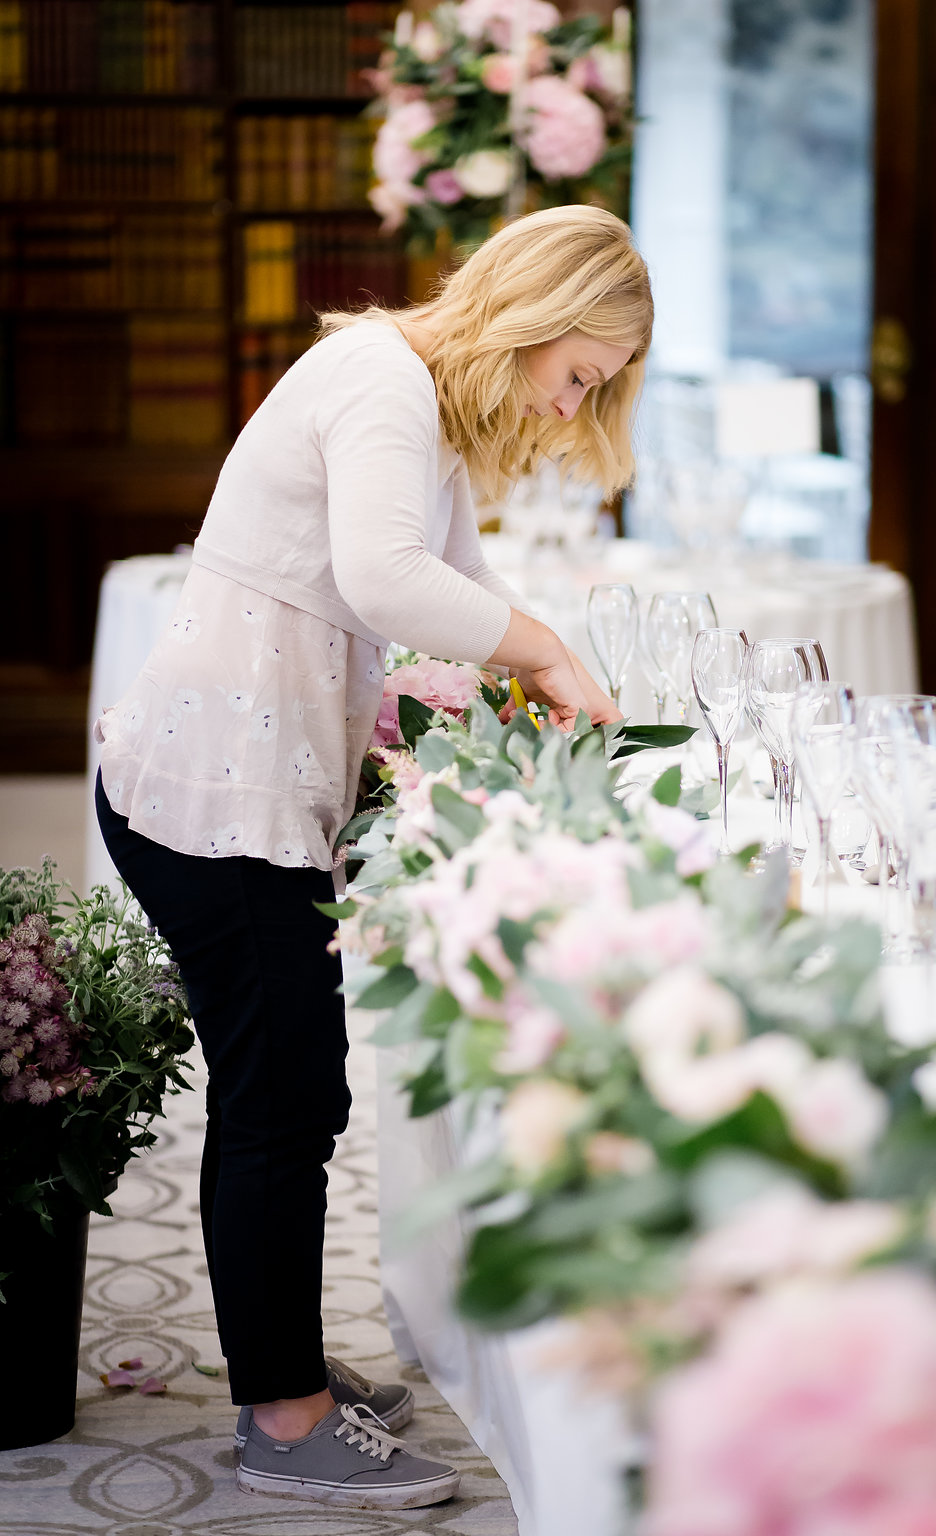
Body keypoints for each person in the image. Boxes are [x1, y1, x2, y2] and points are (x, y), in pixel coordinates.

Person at [94, 203, 653, 1510]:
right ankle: (283, 1421)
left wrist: (519, 677)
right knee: (283, 1100)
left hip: (250, 785)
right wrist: (548, 653)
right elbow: (394, 583)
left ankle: (281, 1367)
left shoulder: (422, 405)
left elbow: (438, 601)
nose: (572, 414)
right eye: (578, 376)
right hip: (211, 796)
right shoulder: (380, 380)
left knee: (297, 1092)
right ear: (530, 317)